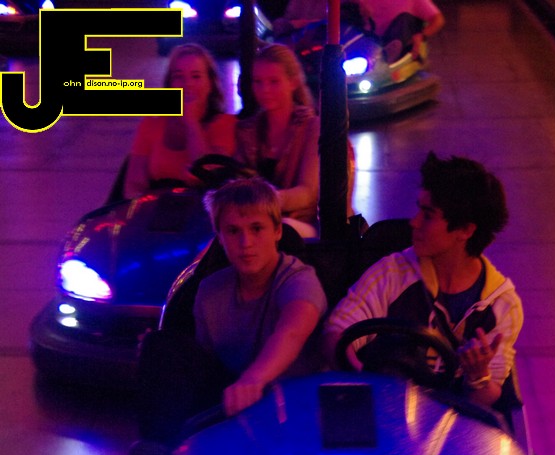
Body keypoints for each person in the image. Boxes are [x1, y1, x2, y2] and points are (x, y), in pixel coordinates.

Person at [323, 151, 523, 409]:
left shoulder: (502, 306)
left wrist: (478, 377)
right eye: (419, 210)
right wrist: (369, 385)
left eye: (428, 215)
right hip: (386, 411)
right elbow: (336, 333)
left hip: (451, 423)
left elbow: (485, 400)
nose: (414, 222)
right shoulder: (393, 274)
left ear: (465, 230)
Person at [194, 177, 327, 416]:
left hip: (298, 409)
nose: (245, 243)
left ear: (277, 231)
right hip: (235, 408)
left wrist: (252, 380)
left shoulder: (299, 280)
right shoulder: (209, 292)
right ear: (220, 237)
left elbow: (292, 332)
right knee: (163, 347)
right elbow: (204, 365)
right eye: (233, 231)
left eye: (256, 229)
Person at [123, 44, 237, 199]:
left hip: (203, 208)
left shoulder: (226, 124)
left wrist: (192, 123)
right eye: (178, 77)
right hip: (157, 207)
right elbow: (133, 186)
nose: (187, 84)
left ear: (210, 83)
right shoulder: (150, 124)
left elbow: (208, 177)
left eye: (196, 76)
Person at [234, 44, 320, 237]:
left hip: (304, 224)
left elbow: (307, 193)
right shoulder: (248, 131)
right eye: (258, 82)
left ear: (293, 82)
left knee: (281, 228)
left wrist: (260, 202)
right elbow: (239, 178)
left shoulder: (312, 128)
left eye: (273, 82)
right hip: (256, 222)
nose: (264, 90)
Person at [365, 0, 446, 64]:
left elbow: (438, 20)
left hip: (398, 43)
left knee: (404, 19)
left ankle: (388, 55)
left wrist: (421, 35)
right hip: (371, 43)